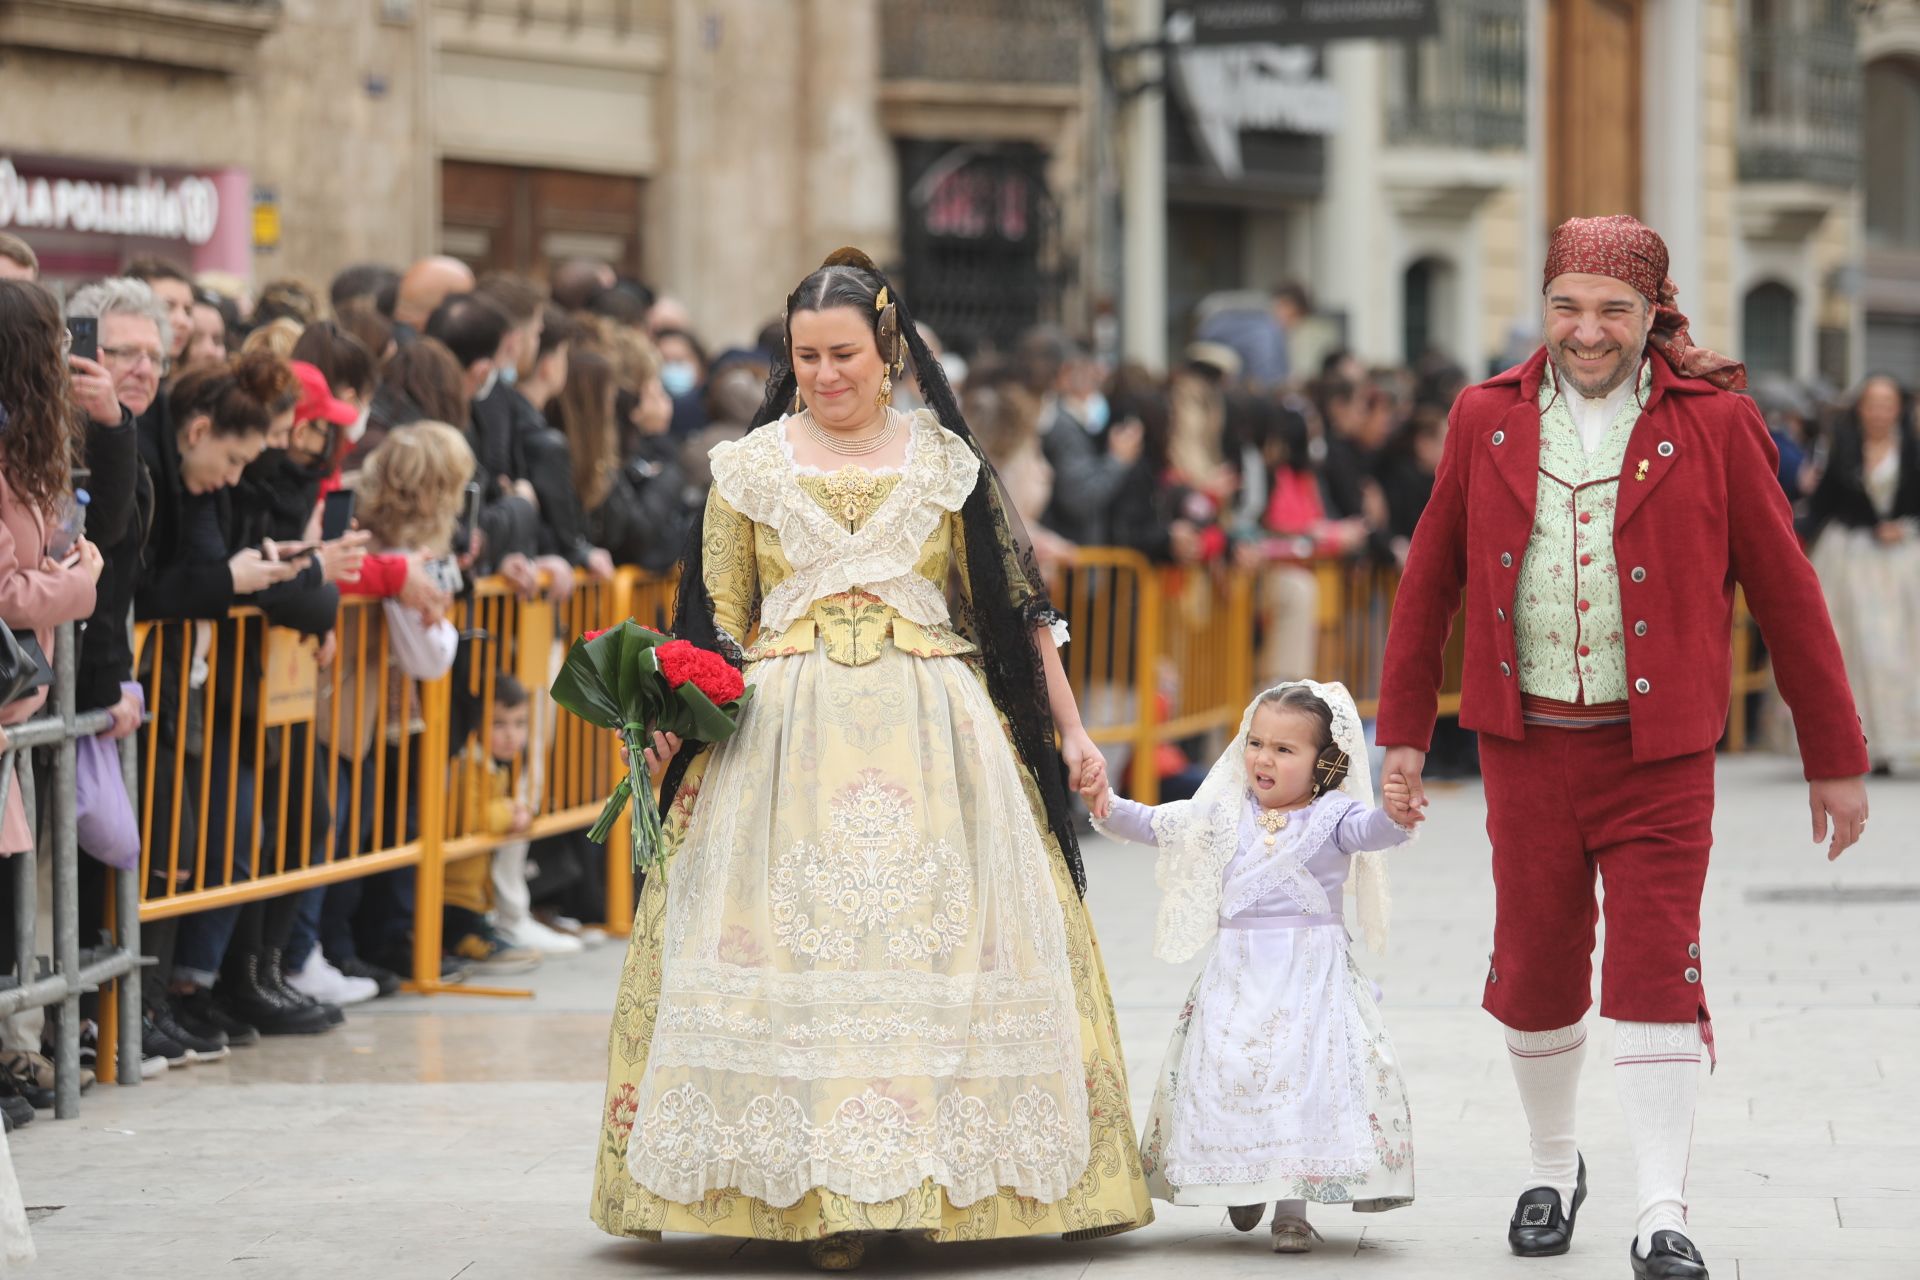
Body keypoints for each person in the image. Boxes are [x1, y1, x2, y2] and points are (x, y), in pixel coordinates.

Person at [591, 248, 1152, 1268]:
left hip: (936, 731)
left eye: (842, 352)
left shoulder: (947, 465)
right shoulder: (749, 467)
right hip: (781, 743)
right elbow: (714, 615)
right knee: (804, 945)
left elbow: (1019, 610)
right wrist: (680, 699)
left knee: (932, 941)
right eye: (805, 355)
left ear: (888, 349)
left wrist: (1071, 729)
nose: (824, 373)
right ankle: (812, 1183)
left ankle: (951, 1172)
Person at [1376, 215, 1871, 1280]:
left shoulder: (1718, 423)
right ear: (1543, 309)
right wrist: (1403, 737)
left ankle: (1660, 1205)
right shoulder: (1483, 418)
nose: (1586, 329)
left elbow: (1788, 591)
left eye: (1611, 309)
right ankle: (1553, 1167)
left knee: (1654, 965)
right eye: (1567, 305)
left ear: (1652, 314)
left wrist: (1835, 753)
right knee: (1539, 965)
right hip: (1527, 747)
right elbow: (1429, 584)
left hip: (1661, 757)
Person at [1089, 682, 1415, 1253]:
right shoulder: (1222, 814)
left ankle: (1291, 1210)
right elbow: (1155, 824)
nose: (1264, 758)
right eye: (1256, 742)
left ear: (1326, 762)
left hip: (1308, 981)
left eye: (1285, 750)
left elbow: (1373, 832)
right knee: (1231, 1073)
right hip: (1237, 979)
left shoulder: (1333, 816)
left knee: (1301, 1084)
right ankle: (1242, 1174)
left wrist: (1394, 814)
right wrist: (1106, 804)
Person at [1802, 375, 1920, 775]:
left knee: (1899, 648)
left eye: (1887, 404)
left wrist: (1903, 527)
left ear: (1898, 409)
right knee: (1853, 647)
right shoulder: (1843, 449)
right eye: (1872, 403)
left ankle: (1900, 738)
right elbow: (1824, 505)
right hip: (1851, 558)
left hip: (1904, 560)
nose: (1879, 412)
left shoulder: (1913, 450)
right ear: (1861, 408)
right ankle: (1857, 738)